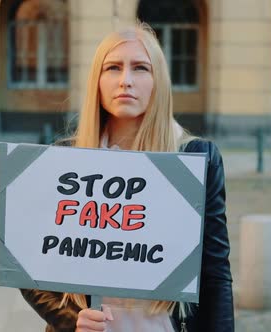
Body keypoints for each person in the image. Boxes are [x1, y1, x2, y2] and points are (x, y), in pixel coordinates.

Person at [19, 22, 234, 332]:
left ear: (158, 80)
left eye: (140, 68)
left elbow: (215, 273)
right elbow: (27, 262)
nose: (126, 81)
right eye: (113, 68)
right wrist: (70, 318)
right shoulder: (63, 159)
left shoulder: (196, 158)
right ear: (97, 80)